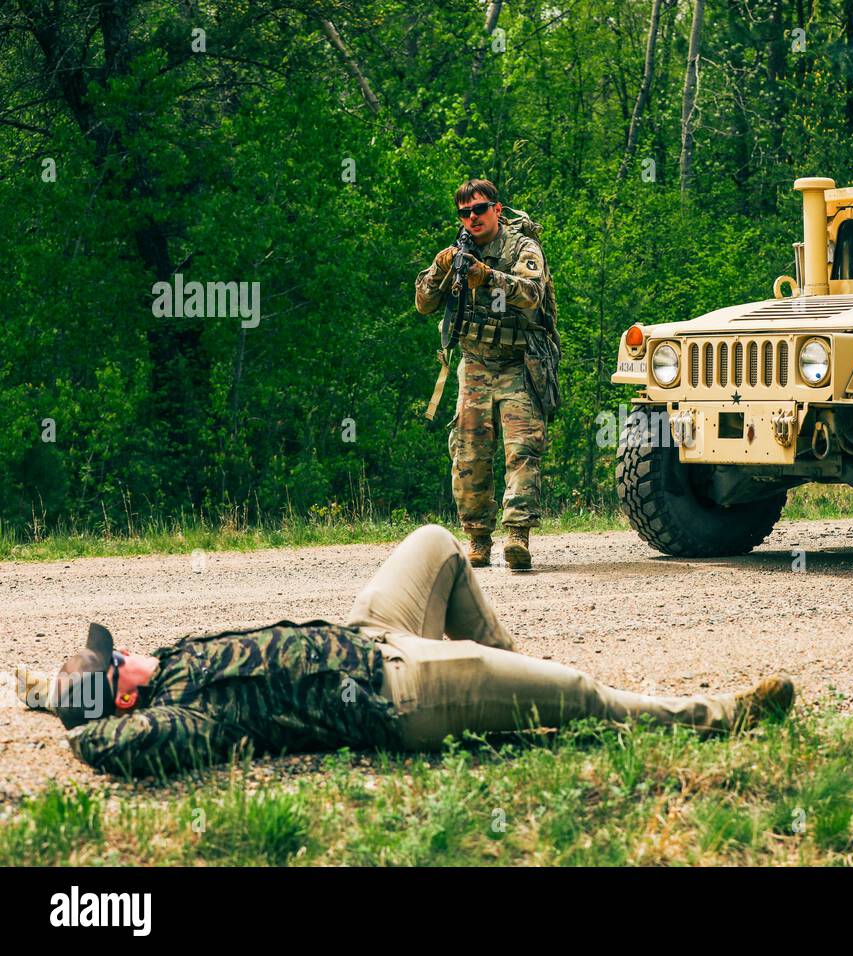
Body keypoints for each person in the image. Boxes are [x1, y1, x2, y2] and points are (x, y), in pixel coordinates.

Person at [13, 525, 794, 777]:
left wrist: (52, 686)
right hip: (402, 694)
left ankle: (523, 678)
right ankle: (713, 717)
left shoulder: (166, 666)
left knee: (438, 543)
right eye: (118, 665)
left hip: (368, 634)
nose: (129, 655)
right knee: (584, 694)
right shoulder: (179, 720)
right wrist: (76, 719)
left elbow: (96, 690)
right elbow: (113, 747)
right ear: (123, 697)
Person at [415, 179, 554, 571]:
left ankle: (517, 535)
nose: (472, 217)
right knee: (469, 452)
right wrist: (440, 269)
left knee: (522, 450)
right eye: (464, 212)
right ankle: (477, 538)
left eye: (479, 209)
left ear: (497, 208)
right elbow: (424, 304)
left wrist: (487, 276)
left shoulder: (522, 247)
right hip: (475, 364)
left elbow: (531, 293)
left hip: (520, 362)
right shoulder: (459, 252)